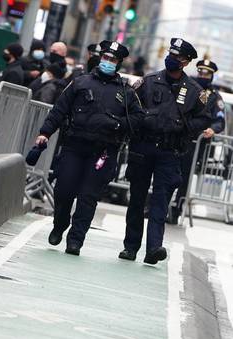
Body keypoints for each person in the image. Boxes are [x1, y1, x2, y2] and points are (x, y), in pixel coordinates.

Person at [34, 41, 144, 255]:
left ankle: (75, 240)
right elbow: (59, 110)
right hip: (74, 146)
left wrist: (119, 124)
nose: (107, 62)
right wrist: (45, 133)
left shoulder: (126, 92)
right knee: (63, 190)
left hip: (103, 152)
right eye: (105, 58)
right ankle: (60, 224)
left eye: (112, 60)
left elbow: (139, 119)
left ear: (119, 63)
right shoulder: (80, 82)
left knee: (88, 197)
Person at [119, 38, 212, 264]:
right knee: (137, 199)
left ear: (187, 62)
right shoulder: (148, 82)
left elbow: (204, 119)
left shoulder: (194, 91)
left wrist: (184, 127)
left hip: (170, 152)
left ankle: (154, 248)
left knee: (160, 202)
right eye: (171, 53)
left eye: (178, 57)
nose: (172, 58)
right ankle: (131, 247)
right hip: (144, 147)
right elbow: (129, 107)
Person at [168, 58, 226, 224]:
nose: (202, 75)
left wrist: (212, 129)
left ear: (212, 76)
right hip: (177, 137)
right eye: (200, 71)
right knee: (166, 172)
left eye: (206, 73)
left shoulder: (214, 97)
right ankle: (158, 206)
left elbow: (219, 119)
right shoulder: (187, 88)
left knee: (184, 177)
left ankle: (176, 210)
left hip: (195, 144)